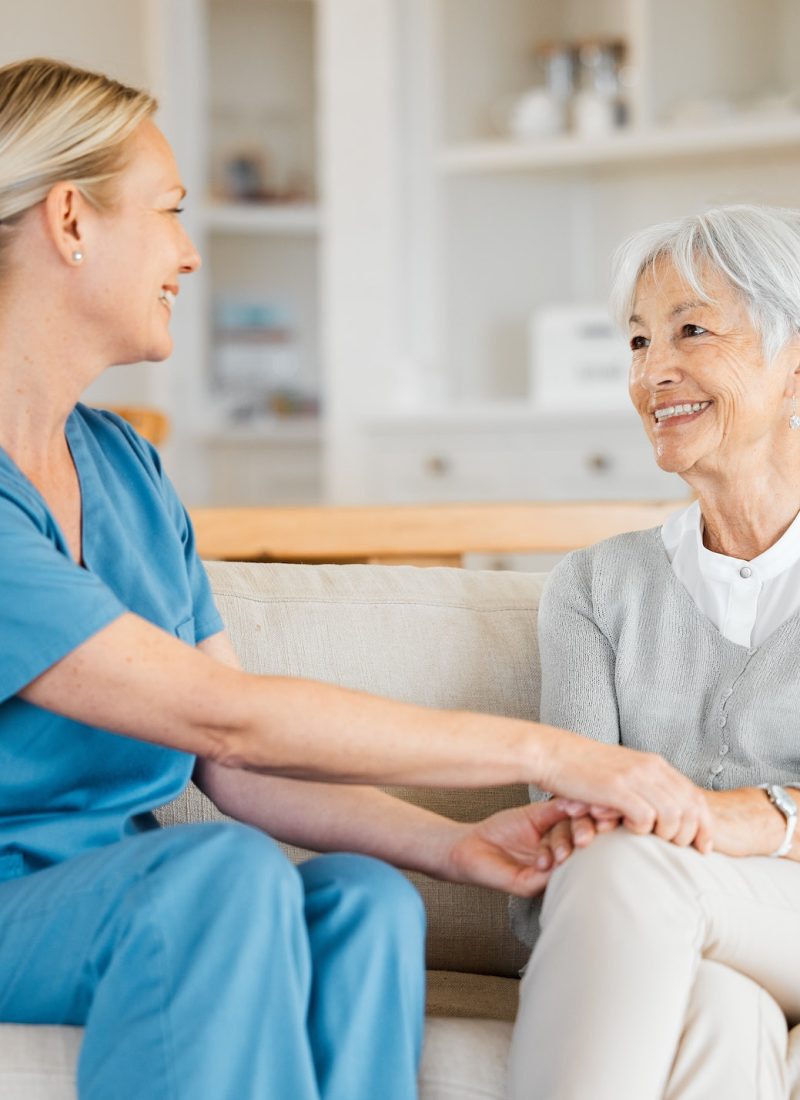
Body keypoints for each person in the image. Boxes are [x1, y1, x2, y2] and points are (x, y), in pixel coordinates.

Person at [0, 58, 709, 1100]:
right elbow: (227, 718)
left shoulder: (128, 469)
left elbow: (234, 773)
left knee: (365, 904)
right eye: (168, 211)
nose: (187, 254)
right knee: (222, 876)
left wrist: (456, 846)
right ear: (70, 221)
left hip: (105, 887)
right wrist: (557, 752)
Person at [508, 204, 800, 1100]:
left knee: (631, 869)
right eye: (637, 343)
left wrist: (767, 817)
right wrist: (702, 825)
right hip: (657, 920)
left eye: (691, 331)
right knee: (718, 1011)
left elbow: (622, 837)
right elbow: (572, 818)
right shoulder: (596, 586)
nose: (652, 372)